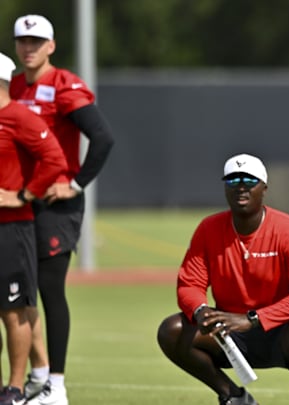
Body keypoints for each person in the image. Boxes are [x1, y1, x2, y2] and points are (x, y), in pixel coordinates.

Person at [156, 153, 289, 405]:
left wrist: (254, 319)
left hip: (280, 332)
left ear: (264, 188)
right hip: (227, 333)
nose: (240, 186)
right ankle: (233, 396)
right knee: (171, 330)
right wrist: (200, 311)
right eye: (232, 180)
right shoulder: (209, 229)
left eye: (250, 180)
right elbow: (189, 284)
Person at [10, 14, 115, 405]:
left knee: (50, 290)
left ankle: (56, 385)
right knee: (18, 293)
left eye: (37, 41)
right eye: (23, 40)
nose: (29, 47)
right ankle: (36, 377)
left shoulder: (64, 85)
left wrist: (73, 185)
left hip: (56, 204)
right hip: (21, 201)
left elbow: (103, 138)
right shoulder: (15, 86)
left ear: (51, 46)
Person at [0, 51, 66, 405]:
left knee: (14, 310)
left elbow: (54, 159)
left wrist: (22, 195)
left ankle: (14, 388)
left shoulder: (17, 116)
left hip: (11, 229)